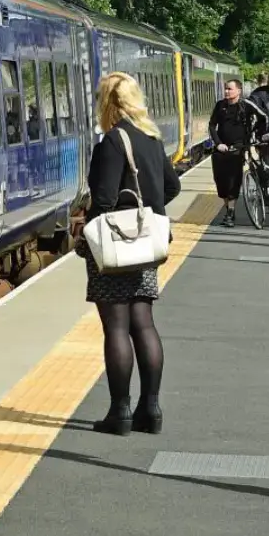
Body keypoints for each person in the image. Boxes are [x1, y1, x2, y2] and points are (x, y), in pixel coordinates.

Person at [75, 72, 180, 436]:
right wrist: (147, 211)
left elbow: (103, 201)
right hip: (148, 246)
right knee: (144, 324)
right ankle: (150, 410)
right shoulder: (151, 138)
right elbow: (173, 185)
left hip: (117, 248)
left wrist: (85, 235)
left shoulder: (112, 142)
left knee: (116, 328)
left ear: (108, 103)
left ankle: (119, 413)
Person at [207, 79, 263, 227]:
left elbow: (263, 117)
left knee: (233, 181)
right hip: (220, 149)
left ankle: (230, 213)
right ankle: (228, 209)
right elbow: (212, 125)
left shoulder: (245, 105)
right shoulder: (220, 106)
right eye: (225, 89)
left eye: (230, 89)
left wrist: (256, 135)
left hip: (238, 149)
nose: (227, 91)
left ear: (238, 91)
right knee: (221, 182)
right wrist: (218, 143)